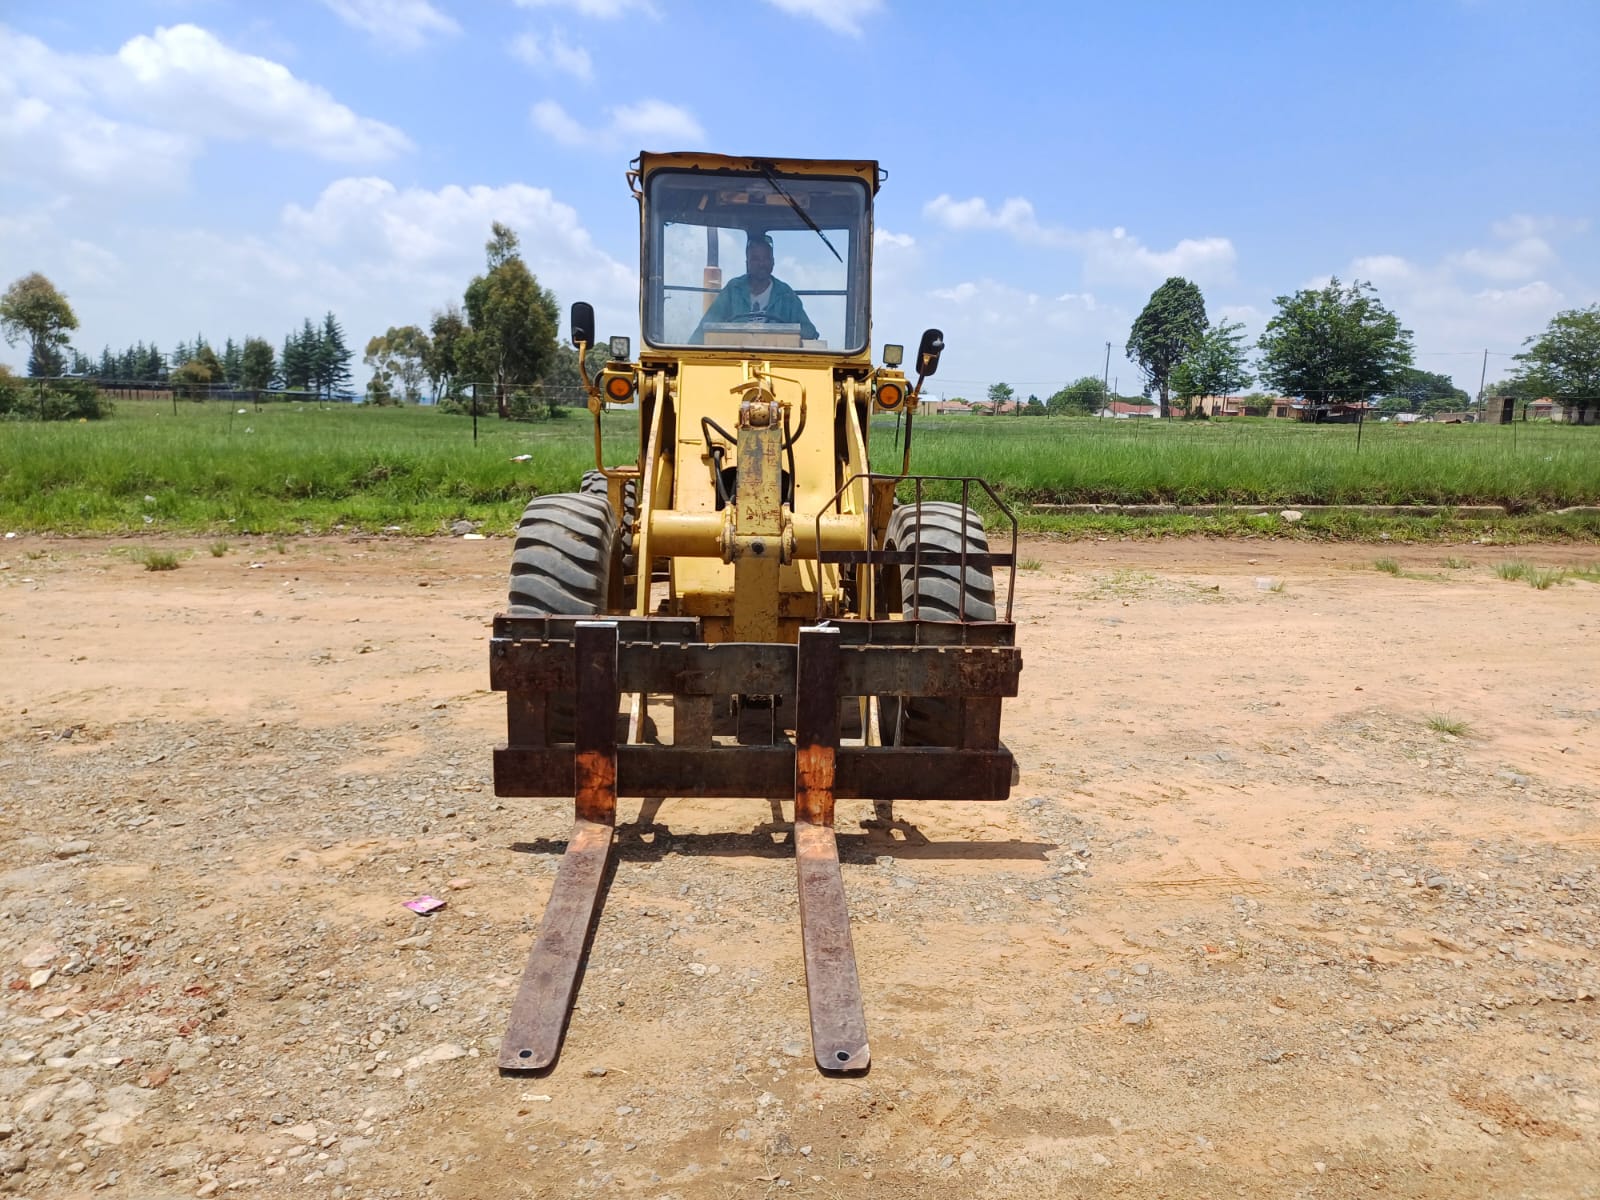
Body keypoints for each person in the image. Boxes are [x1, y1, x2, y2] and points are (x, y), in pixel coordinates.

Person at [691, 233, 818, 342]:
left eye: (766, 258)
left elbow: (809, 332)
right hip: (734, 358)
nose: (761, 264)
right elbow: (705, 328)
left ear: (773, 262)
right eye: (756, 259)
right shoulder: (733, 289)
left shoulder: (786, 295)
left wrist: (786, 336)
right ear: (747, 263)